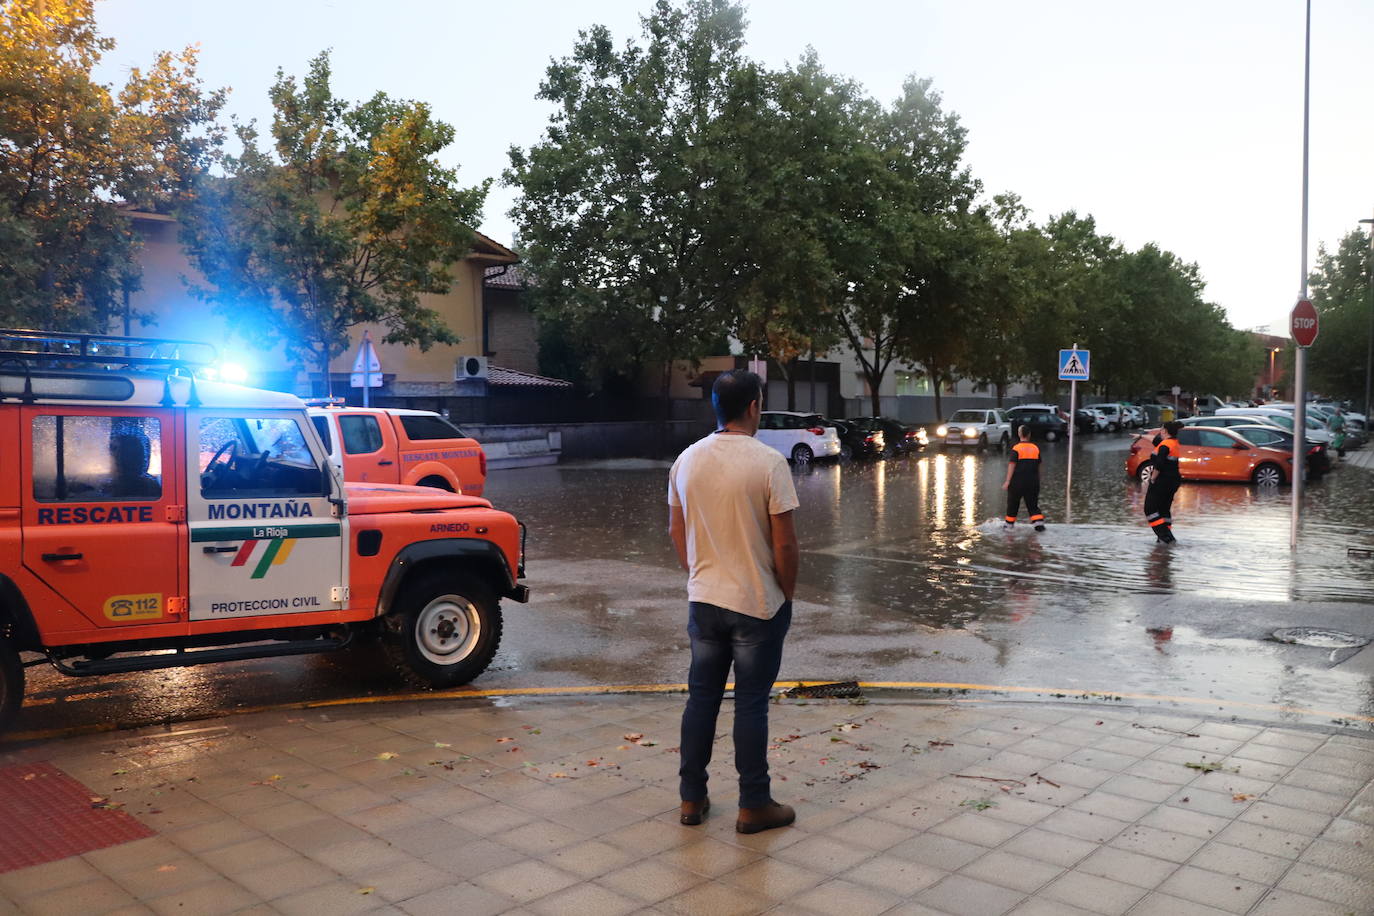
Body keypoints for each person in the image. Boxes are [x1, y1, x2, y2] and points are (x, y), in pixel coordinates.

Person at [667, 370, 800, 835]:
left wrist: (700, 575)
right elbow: (785, 545)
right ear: (754, 407)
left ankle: (691, 798)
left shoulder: (686, 460)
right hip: (756, 603)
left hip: (704, 601)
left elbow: (676, 531)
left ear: (716, 409)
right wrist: (787, 593)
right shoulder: (768, 463)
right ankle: (754, 804)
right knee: (750, 704)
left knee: (701, 700)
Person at [1144, 420, 1182, 543]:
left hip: (1162, 481)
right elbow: (1154, 440)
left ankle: (1166, 538)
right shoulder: (1173, 442)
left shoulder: (1165, 445)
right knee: (1164, 509)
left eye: (1161, 429)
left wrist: (1152, 478)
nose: (1159, 431)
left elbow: (1159, 464)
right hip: (1173, 481)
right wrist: (1140, 436)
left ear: (1164, 431)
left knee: (1149, 509)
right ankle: (1164, 539)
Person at [1001, 426, 1045, 532]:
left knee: (1013, 504)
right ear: (1029, 434)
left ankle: (1009, 526)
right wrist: (1039, 479)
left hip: (1017, 482)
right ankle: (1039, 525)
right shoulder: (1035, 448)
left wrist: (1007, 481)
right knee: (1033, 505)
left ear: (1019, 434)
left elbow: (1012, 465)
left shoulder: (1016, 448)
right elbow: (1039, 465)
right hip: (1032, 482)